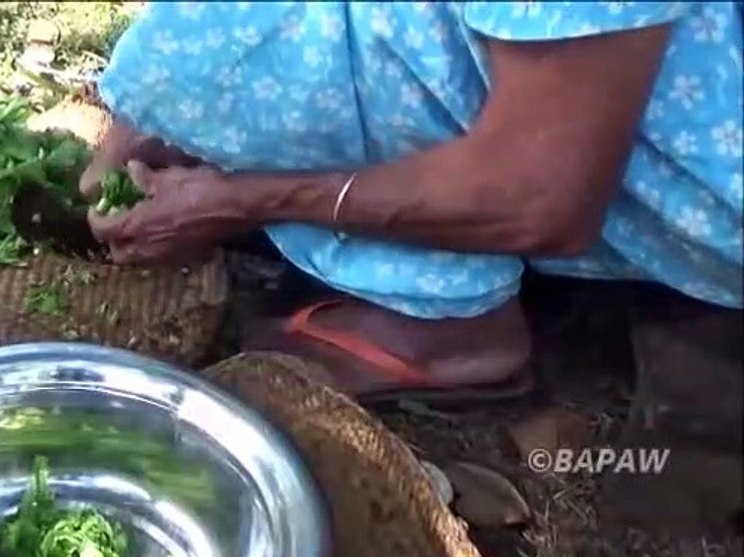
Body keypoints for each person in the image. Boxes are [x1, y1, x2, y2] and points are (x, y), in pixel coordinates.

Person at [79, 1, 743, 406]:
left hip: (713, 174)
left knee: (342, 48)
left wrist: (239, 201)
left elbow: (538, 198)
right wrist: (142, 113)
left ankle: (451, 334)